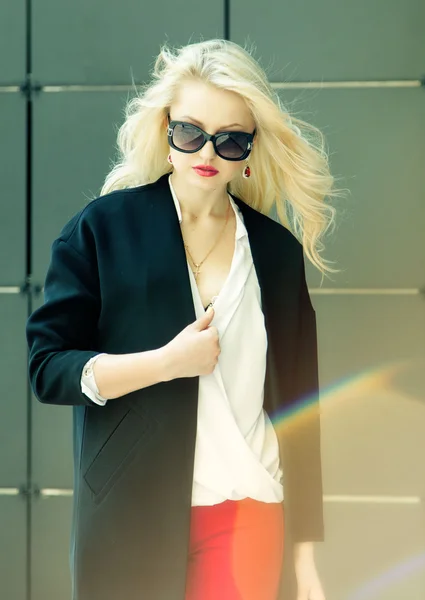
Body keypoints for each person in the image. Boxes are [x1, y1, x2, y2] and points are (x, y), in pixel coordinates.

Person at [26, 39, 337, 600]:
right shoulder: (101, 231)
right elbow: (49, 369)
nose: (207, 152)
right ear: (165, 131)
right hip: (132, 513)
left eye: (231, 139)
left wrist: (307, 561)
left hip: (249, 512)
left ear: (250, 149)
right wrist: (166, 363)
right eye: (190, 132)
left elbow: (301, 409)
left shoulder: (276, 253)